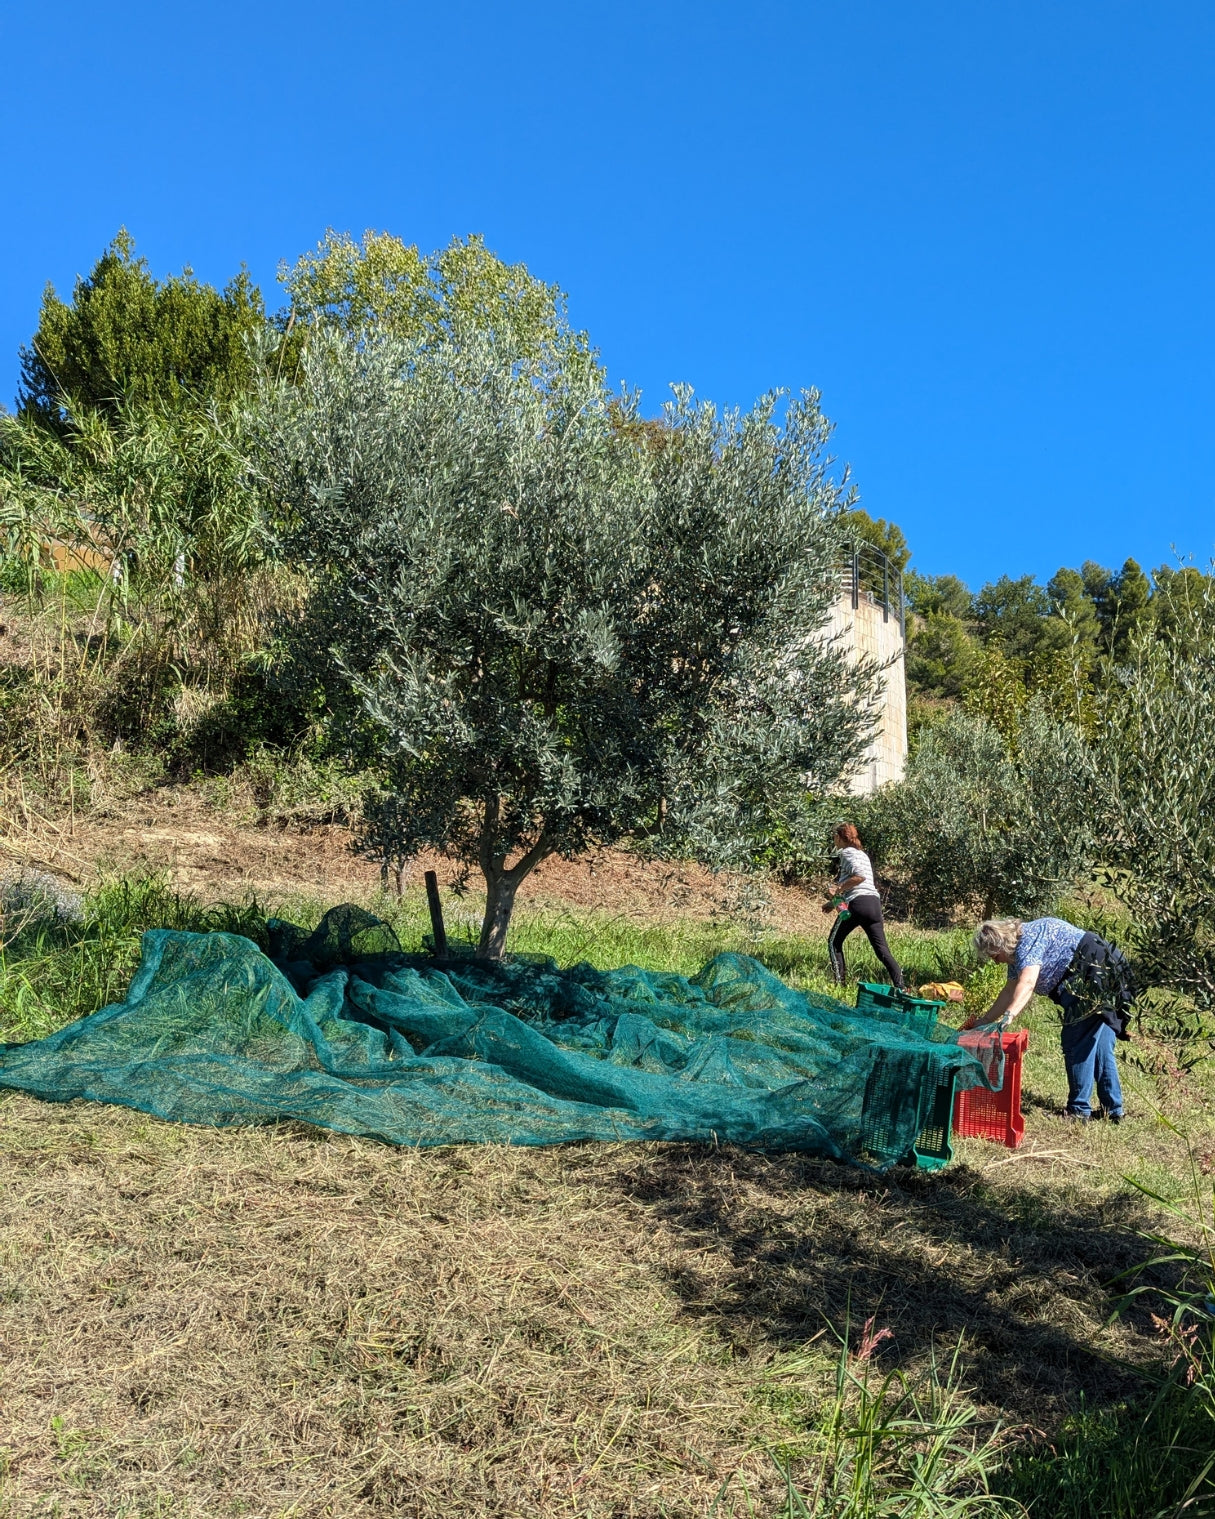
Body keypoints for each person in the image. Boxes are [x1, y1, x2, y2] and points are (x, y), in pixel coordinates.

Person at [968, 916, 1135, 1123]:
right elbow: (1010, 990)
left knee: (1075, 1042)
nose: (995, 961)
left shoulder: (1027, 940)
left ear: (1000, 944)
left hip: (1092, 975)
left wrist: (1009, 1016)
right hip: (1108, 968)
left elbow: (1027, 983)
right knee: (1099, 1045)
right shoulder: (1016, 953)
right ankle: (1113, 1110)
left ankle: (1078, 1111)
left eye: (993, 955)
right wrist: (984, 1020)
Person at [822, 823, 904, 989]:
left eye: (835, 836)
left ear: (839, 837)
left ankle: (840, 985)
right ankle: (901, 987)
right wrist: (832, 903)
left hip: (857, 904)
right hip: (873, 904)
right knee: (882, 950)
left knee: (834, 942)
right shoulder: (862, 854)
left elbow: (859, 877)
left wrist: (837, 889)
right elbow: (858, 884)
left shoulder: (846, 852)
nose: (834, 840)